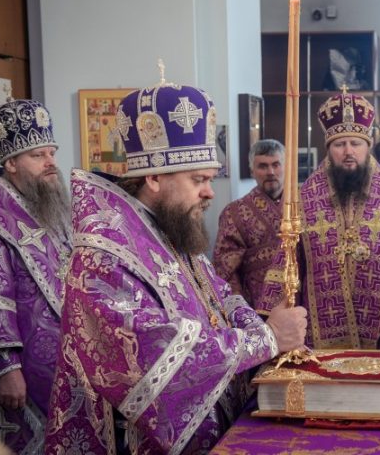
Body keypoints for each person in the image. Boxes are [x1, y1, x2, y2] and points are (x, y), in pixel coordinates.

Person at [45, 78, 307, 454]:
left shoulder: (170, 227)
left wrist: (263, 326)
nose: (210, 191)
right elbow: (148, 354)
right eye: (199, 179)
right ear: (154, 177)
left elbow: (220, 296)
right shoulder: (104, 253)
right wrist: (264, 339)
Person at [260, 88, 380, 349]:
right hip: (319, 333)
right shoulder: (304, 199)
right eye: (339, 144)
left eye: (355, 143)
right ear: (328, 149)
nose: (348, 152)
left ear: (368, 147)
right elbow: (287, 262)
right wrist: (274, 318)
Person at [0, 96, 71, 453]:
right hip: (23, 369)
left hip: (65, 359)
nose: (51, 163)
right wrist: (7, 368)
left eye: (52, 153)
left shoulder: (50, 202)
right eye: (38, 156)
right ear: (11, 163)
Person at [213, 139, 284, 307]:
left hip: (301, 301)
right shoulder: (233, 213)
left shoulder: (303, 206)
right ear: (252, 171)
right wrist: (242, 311)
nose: (270, 172)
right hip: (258, 307)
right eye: (263, 166)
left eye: (276, 165)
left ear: (286, 167)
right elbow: (226, 270)